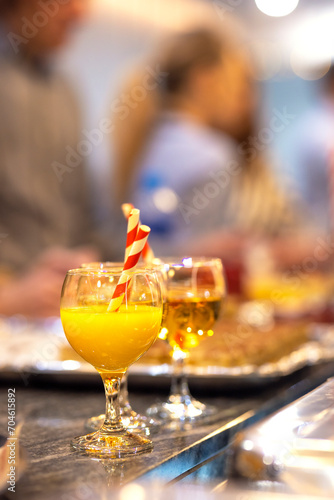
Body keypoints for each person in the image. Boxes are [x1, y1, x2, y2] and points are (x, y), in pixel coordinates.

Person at [113, 29, 306, 267]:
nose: (242, 98)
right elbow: (212, 265)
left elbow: (134, 246)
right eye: (234, 82)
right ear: (204, 79)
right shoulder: (213, 154)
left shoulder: (137, 143)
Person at [0, 0, 114, 317]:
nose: (80, 13)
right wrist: (8, 297)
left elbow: (83, 220)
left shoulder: (65, 90)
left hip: (56, 317)